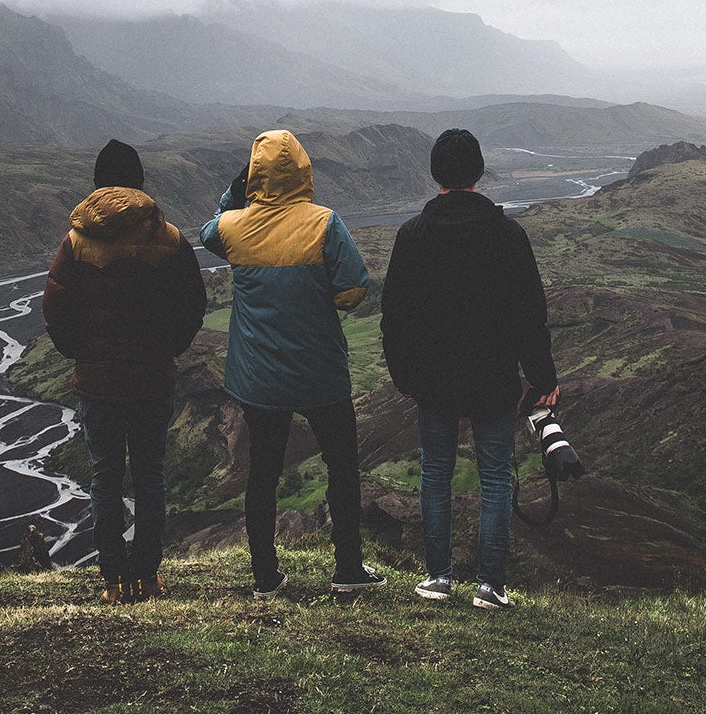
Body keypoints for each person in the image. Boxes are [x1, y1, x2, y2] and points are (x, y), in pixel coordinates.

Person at [201, 128, 385, 597]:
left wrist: (237, 190)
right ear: (304, 170)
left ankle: (265, 576)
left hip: (259, 378)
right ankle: (347, 569)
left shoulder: (235, 227)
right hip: (320, 370)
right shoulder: (324, 223)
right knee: (342, 466)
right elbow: (351, 291)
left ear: (255, 175)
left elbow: (209, 231)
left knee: (261, 473)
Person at [380, 128, 558, 610]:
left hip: (432, 380)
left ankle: (438, 578)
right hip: (493, 377)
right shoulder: (508, 234)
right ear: (478, 172)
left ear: (436, 173)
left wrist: (404, 376)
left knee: (435, 472)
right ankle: (491, 586)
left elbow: (395, 314)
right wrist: (544, 379)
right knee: (496, 475)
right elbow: (529, 313)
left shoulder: (412, 234)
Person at [43, 139, 207, 604]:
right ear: (140, 182)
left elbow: (56, 310)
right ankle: (149, 577)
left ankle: (113, 581)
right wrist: (168, 349)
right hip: (153, 379)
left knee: (106, 477)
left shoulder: (77, 241)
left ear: (98, 183)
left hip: (98, 384)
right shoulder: (170, 238)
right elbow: (192, 305)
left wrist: (84, 356)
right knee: (151, 475)